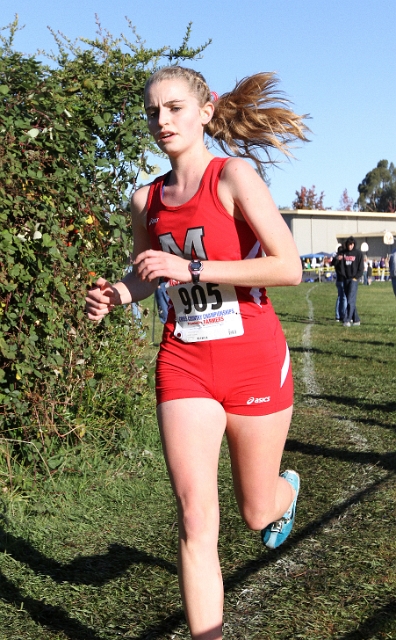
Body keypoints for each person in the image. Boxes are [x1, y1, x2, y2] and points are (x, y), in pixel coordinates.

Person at [85, 66, 308, 640]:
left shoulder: (233, 176)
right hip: (184, 361)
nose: (163, 121)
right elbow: (147, 275)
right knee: (193, 519)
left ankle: (285, 494)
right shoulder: (145, 198)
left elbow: (288, 267)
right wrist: (118, 293)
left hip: (253, 356)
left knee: (256, 512)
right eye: (153, 111)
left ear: (206, 110)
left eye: (175, 108)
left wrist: (194, 268)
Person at [342, 236, 364, 327]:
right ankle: (356, 319)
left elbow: (361, 267)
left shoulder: (358, 253)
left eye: (351, 244)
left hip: (354, 279)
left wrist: (356, 277)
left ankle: (347, 319)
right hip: (345, 279)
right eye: (348, 244)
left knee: (350, 299)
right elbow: (340, 265)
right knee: (350, 299)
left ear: (354, 244)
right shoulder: (344, 254)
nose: (350, 246)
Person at [331, 244, 347, 321]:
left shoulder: (336, 258)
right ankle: (343, 315)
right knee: (344, 298)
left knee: (339, 297)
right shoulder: (343, 259)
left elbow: (332, 263)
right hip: (343, 279)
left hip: (338, 279)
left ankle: (337, 315)